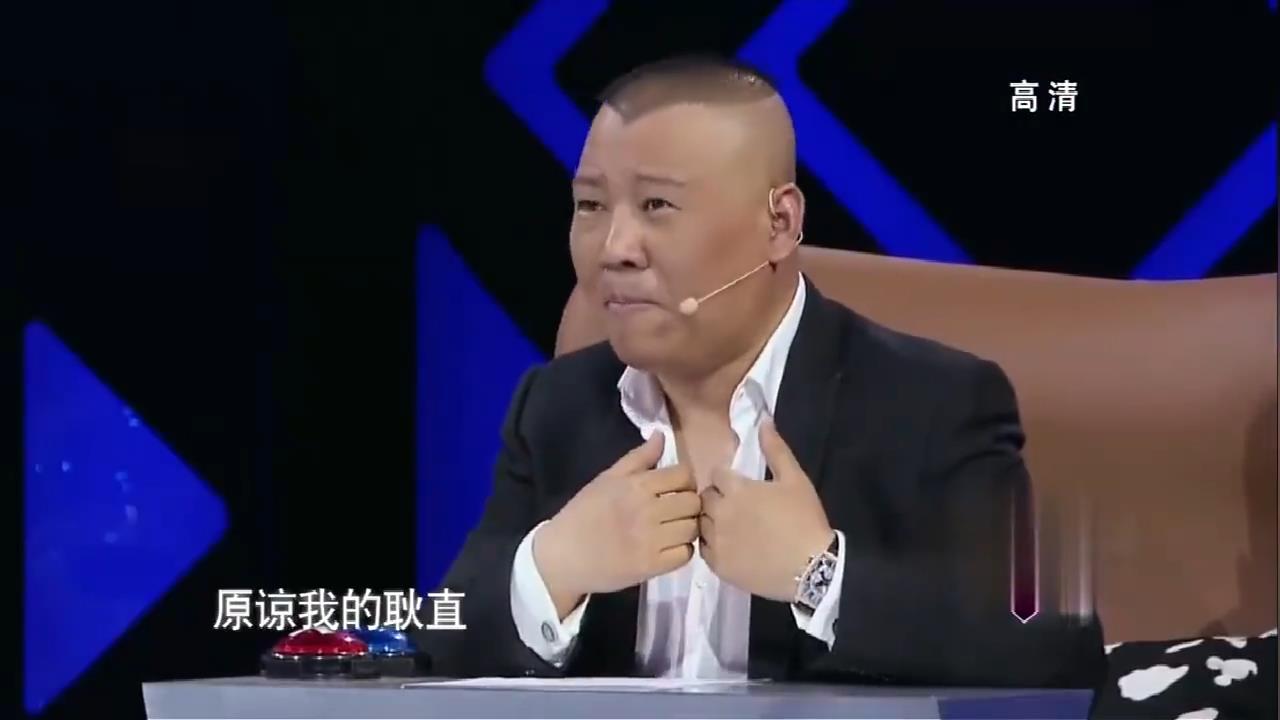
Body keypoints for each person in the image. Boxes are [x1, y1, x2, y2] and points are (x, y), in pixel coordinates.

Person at [415, 55, 1106, 687]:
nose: (615, 248)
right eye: (591, 206)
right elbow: (436, 647)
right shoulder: (557, 405)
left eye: (657, 206)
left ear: (779, 223)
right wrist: (554, 569)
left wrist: (819, 577)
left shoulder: (932, 404)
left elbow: (1051, 639)